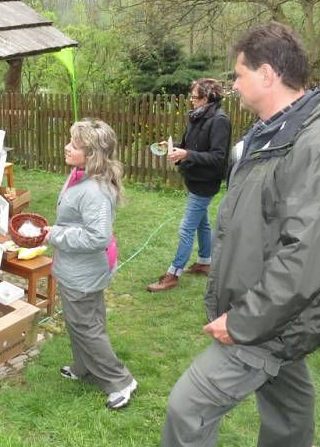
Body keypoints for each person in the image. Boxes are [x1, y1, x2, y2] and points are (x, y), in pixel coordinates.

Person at [161, 22, 320, 447]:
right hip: (272, 308)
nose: (233, 86)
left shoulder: (319, 146)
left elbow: (308, 255)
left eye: (239, 75)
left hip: (269, 316)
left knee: (188, 409)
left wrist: (243, 322)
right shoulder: (270, 133)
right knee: (289, 407)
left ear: (267, 74)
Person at [43, 119, 137, 410]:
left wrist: (54, 234)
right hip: (76, 268)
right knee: (82, 321)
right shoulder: (79, 174)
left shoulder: (94, 190)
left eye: (74, 145)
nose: (67, 147)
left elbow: (98, 237)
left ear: (92, 154)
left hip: (83, 273)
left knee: (87, 327)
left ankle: (120, 381)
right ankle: (84, 367)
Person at [147, 78, 231, 292]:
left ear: (207, 97)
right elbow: (192, 144)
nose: (191, 101)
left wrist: (187, 154)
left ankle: (173, 273)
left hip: (206, 181)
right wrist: (173, 147)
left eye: (195, 97)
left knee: (186, 228)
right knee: (202, 224)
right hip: (194, 177)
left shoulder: (219, 120)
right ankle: (205, 261)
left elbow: (219, 157)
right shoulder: (197, 116)